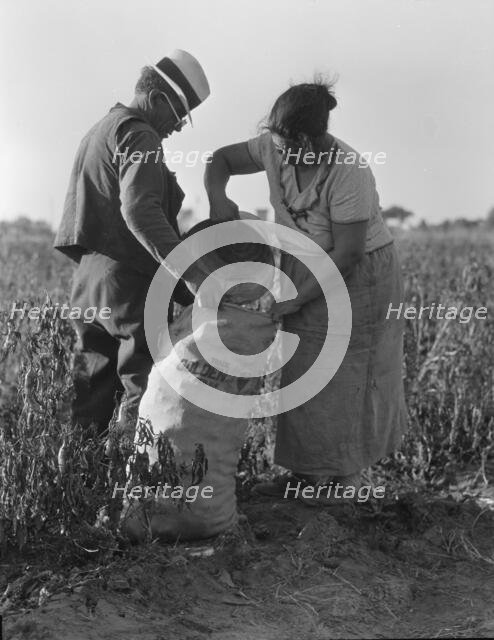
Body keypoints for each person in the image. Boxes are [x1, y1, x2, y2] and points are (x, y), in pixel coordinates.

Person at [204, 79, 408, 504]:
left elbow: (348, 253)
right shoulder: (271, 147)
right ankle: (307, 474)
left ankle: (345, 480)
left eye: (288, 147)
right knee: (304, 364)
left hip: (359, 276)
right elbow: (219, 160)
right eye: (275, 147)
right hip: (305, 265)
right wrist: (217, 199)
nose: (279, 155)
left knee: (349, 372)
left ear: (309, 140)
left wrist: (298, 298)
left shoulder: (348, 171)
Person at [54, 49, 214, 445]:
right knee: (143, 393)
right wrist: (193, 276)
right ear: (158, 99)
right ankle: (136, 498)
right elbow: (140, 212)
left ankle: (79, 491)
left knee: (91, 393)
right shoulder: (140, 133)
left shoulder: (104, 127)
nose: (177, 129)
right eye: (179, 115)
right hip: (128, 286)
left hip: (90, 282)